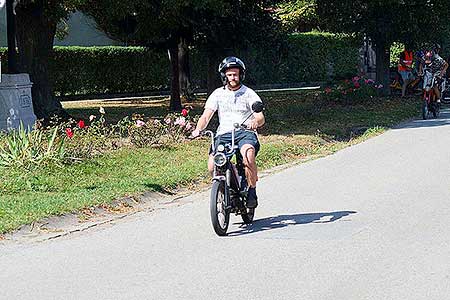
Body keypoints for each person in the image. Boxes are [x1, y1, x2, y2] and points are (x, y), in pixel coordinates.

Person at [191, 56, 265, 208]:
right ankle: (229, 187)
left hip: (245, 133)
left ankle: (251, 190)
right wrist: (198, 129)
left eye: (235, 74)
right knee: (213, 165)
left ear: (241, 75)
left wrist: (254, 122)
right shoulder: (217, 94)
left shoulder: (248, 93)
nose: (233, 77)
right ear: (224, 75)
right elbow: (206, 115)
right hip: (223, 134)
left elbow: (260, 117)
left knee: (248, 154)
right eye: (229, 74)